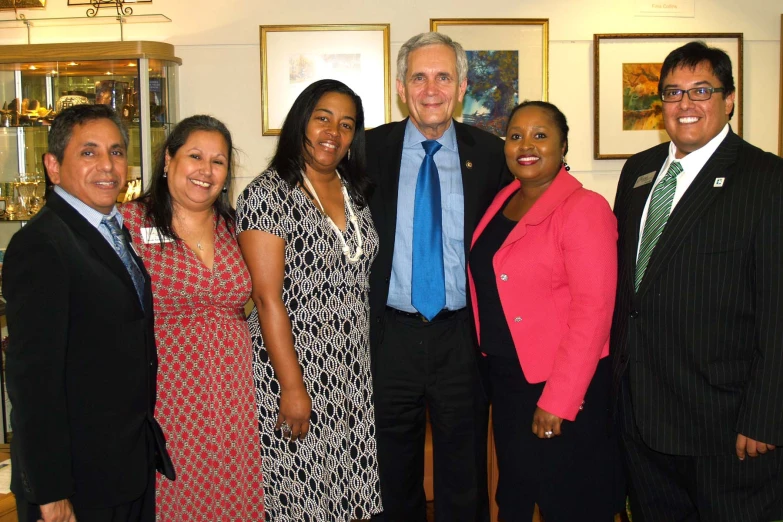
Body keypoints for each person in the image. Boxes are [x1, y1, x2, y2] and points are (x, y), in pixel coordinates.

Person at [611, 41, 783, 521]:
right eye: (672, 93)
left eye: (701, 90)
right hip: (641, 415)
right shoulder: (639, 171)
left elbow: (778, 309)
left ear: (729, 99)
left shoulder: (767, 178)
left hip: (725, 427)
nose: (685, 105)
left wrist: (767, 416)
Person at [2, 103, 174, 522]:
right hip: (76, 485)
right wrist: (51, 493)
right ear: (53, 166)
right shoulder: (42, 245)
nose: (108, 166)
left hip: (125, 468)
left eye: (116, 152)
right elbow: (32, 384)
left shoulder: (113, 229)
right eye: (89, 152)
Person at [366, 32, 509, 522]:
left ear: (463, 86)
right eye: (419, 77)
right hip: (389, 335)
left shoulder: (492, 156)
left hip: (462, 335)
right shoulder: (366, 152)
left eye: (443, 77)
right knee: (389, 473)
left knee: (464, 474)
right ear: (401, 88)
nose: (431, 89)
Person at [236, 79, 382, 522]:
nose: (332, 132)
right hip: (295, 366)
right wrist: (293, 387)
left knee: (346, 497)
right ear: (301, 120)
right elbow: (266, 298)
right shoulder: (268, 193)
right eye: (322, 118)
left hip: (350, 370)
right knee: (300, 498)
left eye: (346, 124)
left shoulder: (353, 189)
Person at [468, 101, 619, 521]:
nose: (525, 145)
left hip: (562, 385)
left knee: (569, 502)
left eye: (540, 135)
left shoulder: (584, 209)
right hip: (508, 379)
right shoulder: (505, 198)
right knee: (514, 498)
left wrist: (559, 399)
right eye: (515, 136)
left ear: (563, 145)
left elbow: (594, 313)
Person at [119, 115, 264, 521]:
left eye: (218, 162)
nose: (206, 170)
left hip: (236, 392)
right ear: (168, 160)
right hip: (166, 392)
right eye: (195, 156)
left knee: (237, 494)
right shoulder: (128, 224)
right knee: (176, 497)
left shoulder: (237, 226)